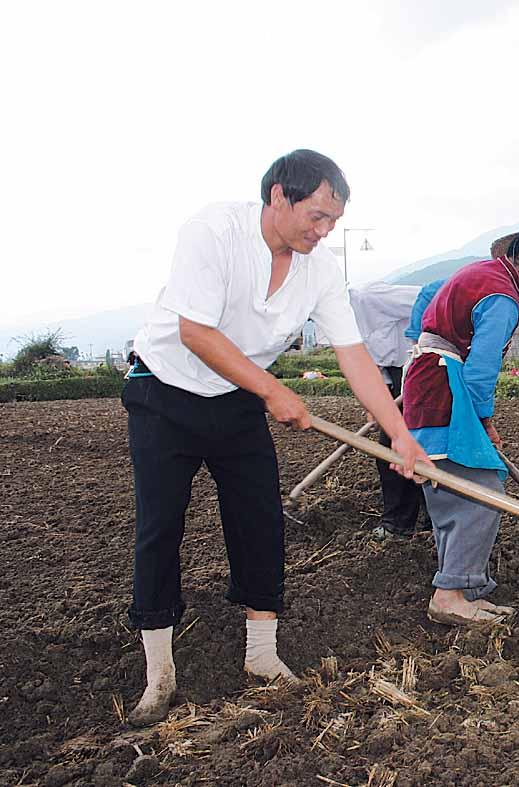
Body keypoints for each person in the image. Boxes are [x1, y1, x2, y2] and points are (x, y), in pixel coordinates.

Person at [121, 150, 431, 726]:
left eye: (333, 222)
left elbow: (354, 354)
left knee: (260, 517)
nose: (324, 231)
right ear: (278, 197)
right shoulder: (213, 231)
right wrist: (272, 392)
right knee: (161, 524)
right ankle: (158, 672)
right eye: (316, 217)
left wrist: (400, 435)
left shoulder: (320, 268)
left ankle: (261, 654)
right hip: (165, 392)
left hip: (237, 400)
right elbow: (195, 332)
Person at [401, 211, 519, 625]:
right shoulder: (502, 297)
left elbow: (433, 296)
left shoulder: (483, 273)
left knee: (451, 490)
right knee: (481, 489)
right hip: (445, 389)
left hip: (429, 382)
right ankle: (449, 594)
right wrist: (483, 419)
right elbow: (482, 368)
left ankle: (462, 588)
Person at [348, 282, 431, 538]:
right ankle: (400, 523)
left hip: (422, 372)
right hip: (396, 379)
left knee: (425, 446)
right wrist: (378, 399)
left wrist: (422, 343)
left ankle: (431, 521)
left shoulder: (370, 297)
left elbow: (430, 298)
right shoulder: (335, 320)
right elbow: (369, 358)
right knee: (390, 452)